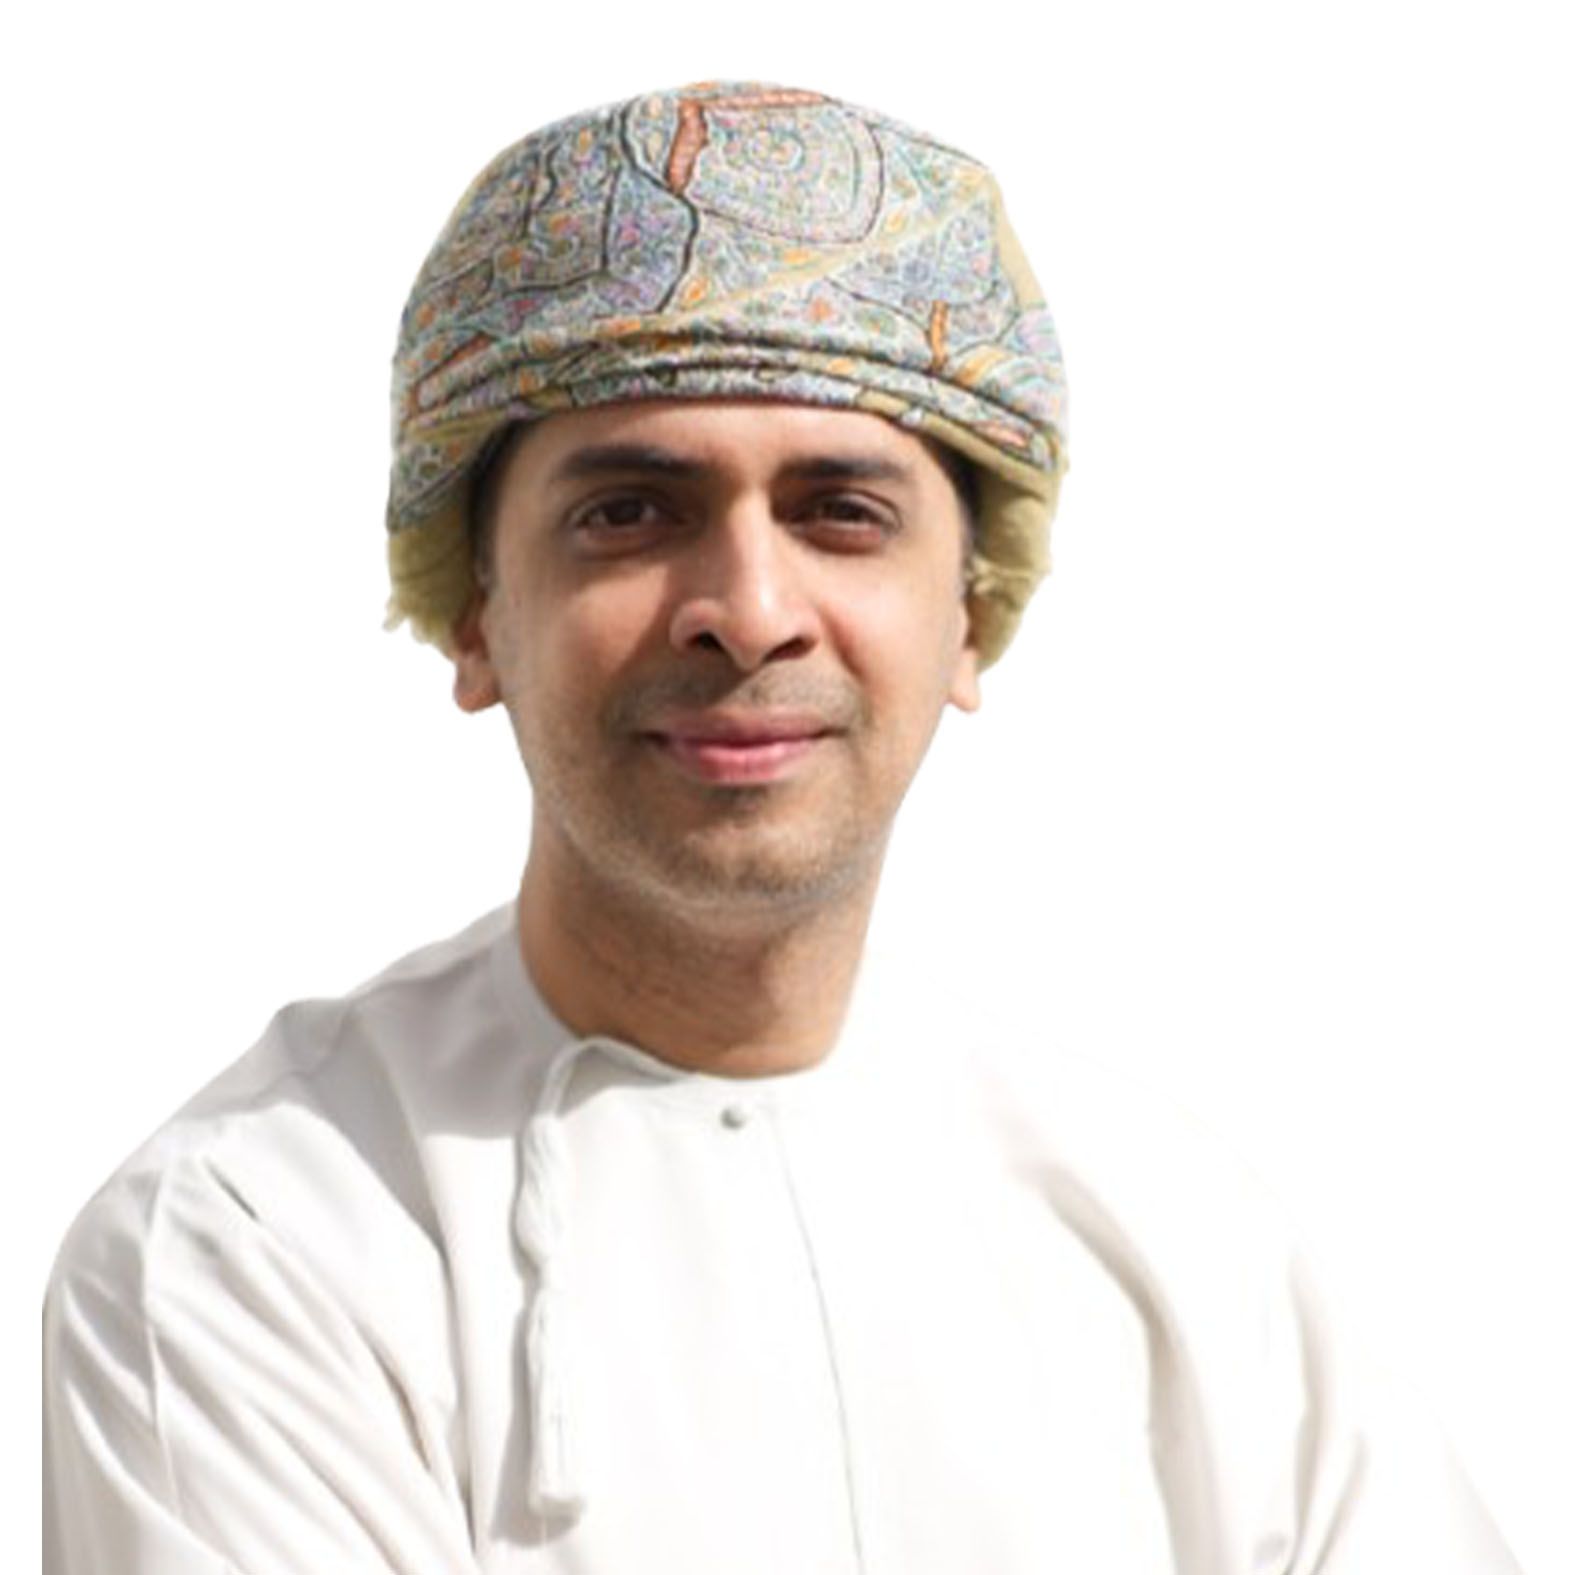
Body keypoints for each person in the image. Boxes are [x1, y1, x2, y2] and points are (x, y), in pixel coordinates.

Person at [42, 81, 1519, 1574]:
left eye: (842, 512)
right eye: (629, 512)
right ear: (476, 616)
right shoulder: (259, 1242)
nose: (747, 614)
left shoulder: (1185, 1252)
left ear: (974, 617)